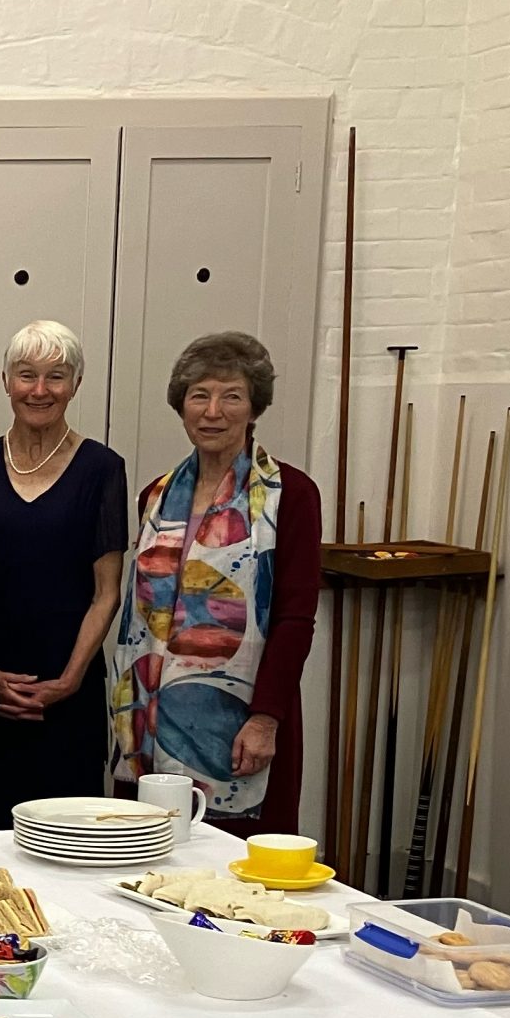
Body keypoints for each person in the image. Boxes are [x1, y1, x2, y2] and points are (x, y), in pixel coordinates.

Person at [108, 331, 323, 837]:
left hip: (243, 721)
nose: (213, 411)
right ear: (181, 406)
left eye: (231, 396)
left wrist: (266, 718)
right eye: (199, 395)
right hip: (148, 723)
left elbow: (296, 617)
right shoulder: (154, 497)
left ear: (254, 408)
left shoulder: (290, 494)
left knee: (236, 876)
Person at [0, 322, 131, 827]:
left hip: (68, 696)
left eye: (57, 376)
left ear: (75, 385)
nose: (40, 390)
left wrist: (66, 683)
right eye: (27, 375)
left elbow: (106, 594)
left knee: (68, 836)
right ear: (6, 381)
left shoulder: (103, 469)